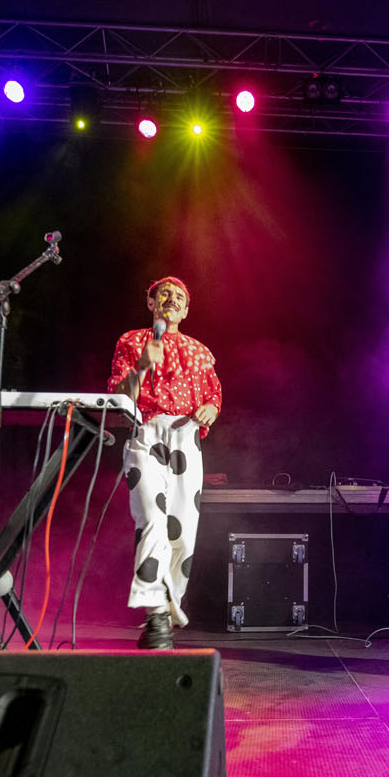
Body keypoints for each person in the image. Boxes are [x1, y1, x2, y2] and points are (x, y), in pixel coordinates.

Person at [108, 276, 223, 649]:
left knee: (182, 533)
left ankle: (166, 610)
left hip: (186, 438)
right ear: (151, 302)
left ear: (186, 310)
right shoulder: (132, 341)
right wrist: (142, 365)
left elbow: (214, 395)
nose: (171, 299)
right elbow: (119, 396)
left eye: (179, 297)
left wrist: (211, 409)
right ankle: (156, 614)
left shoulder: (200, 351)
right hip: (147, 433)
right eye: (164, 294)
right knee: (152, 520)